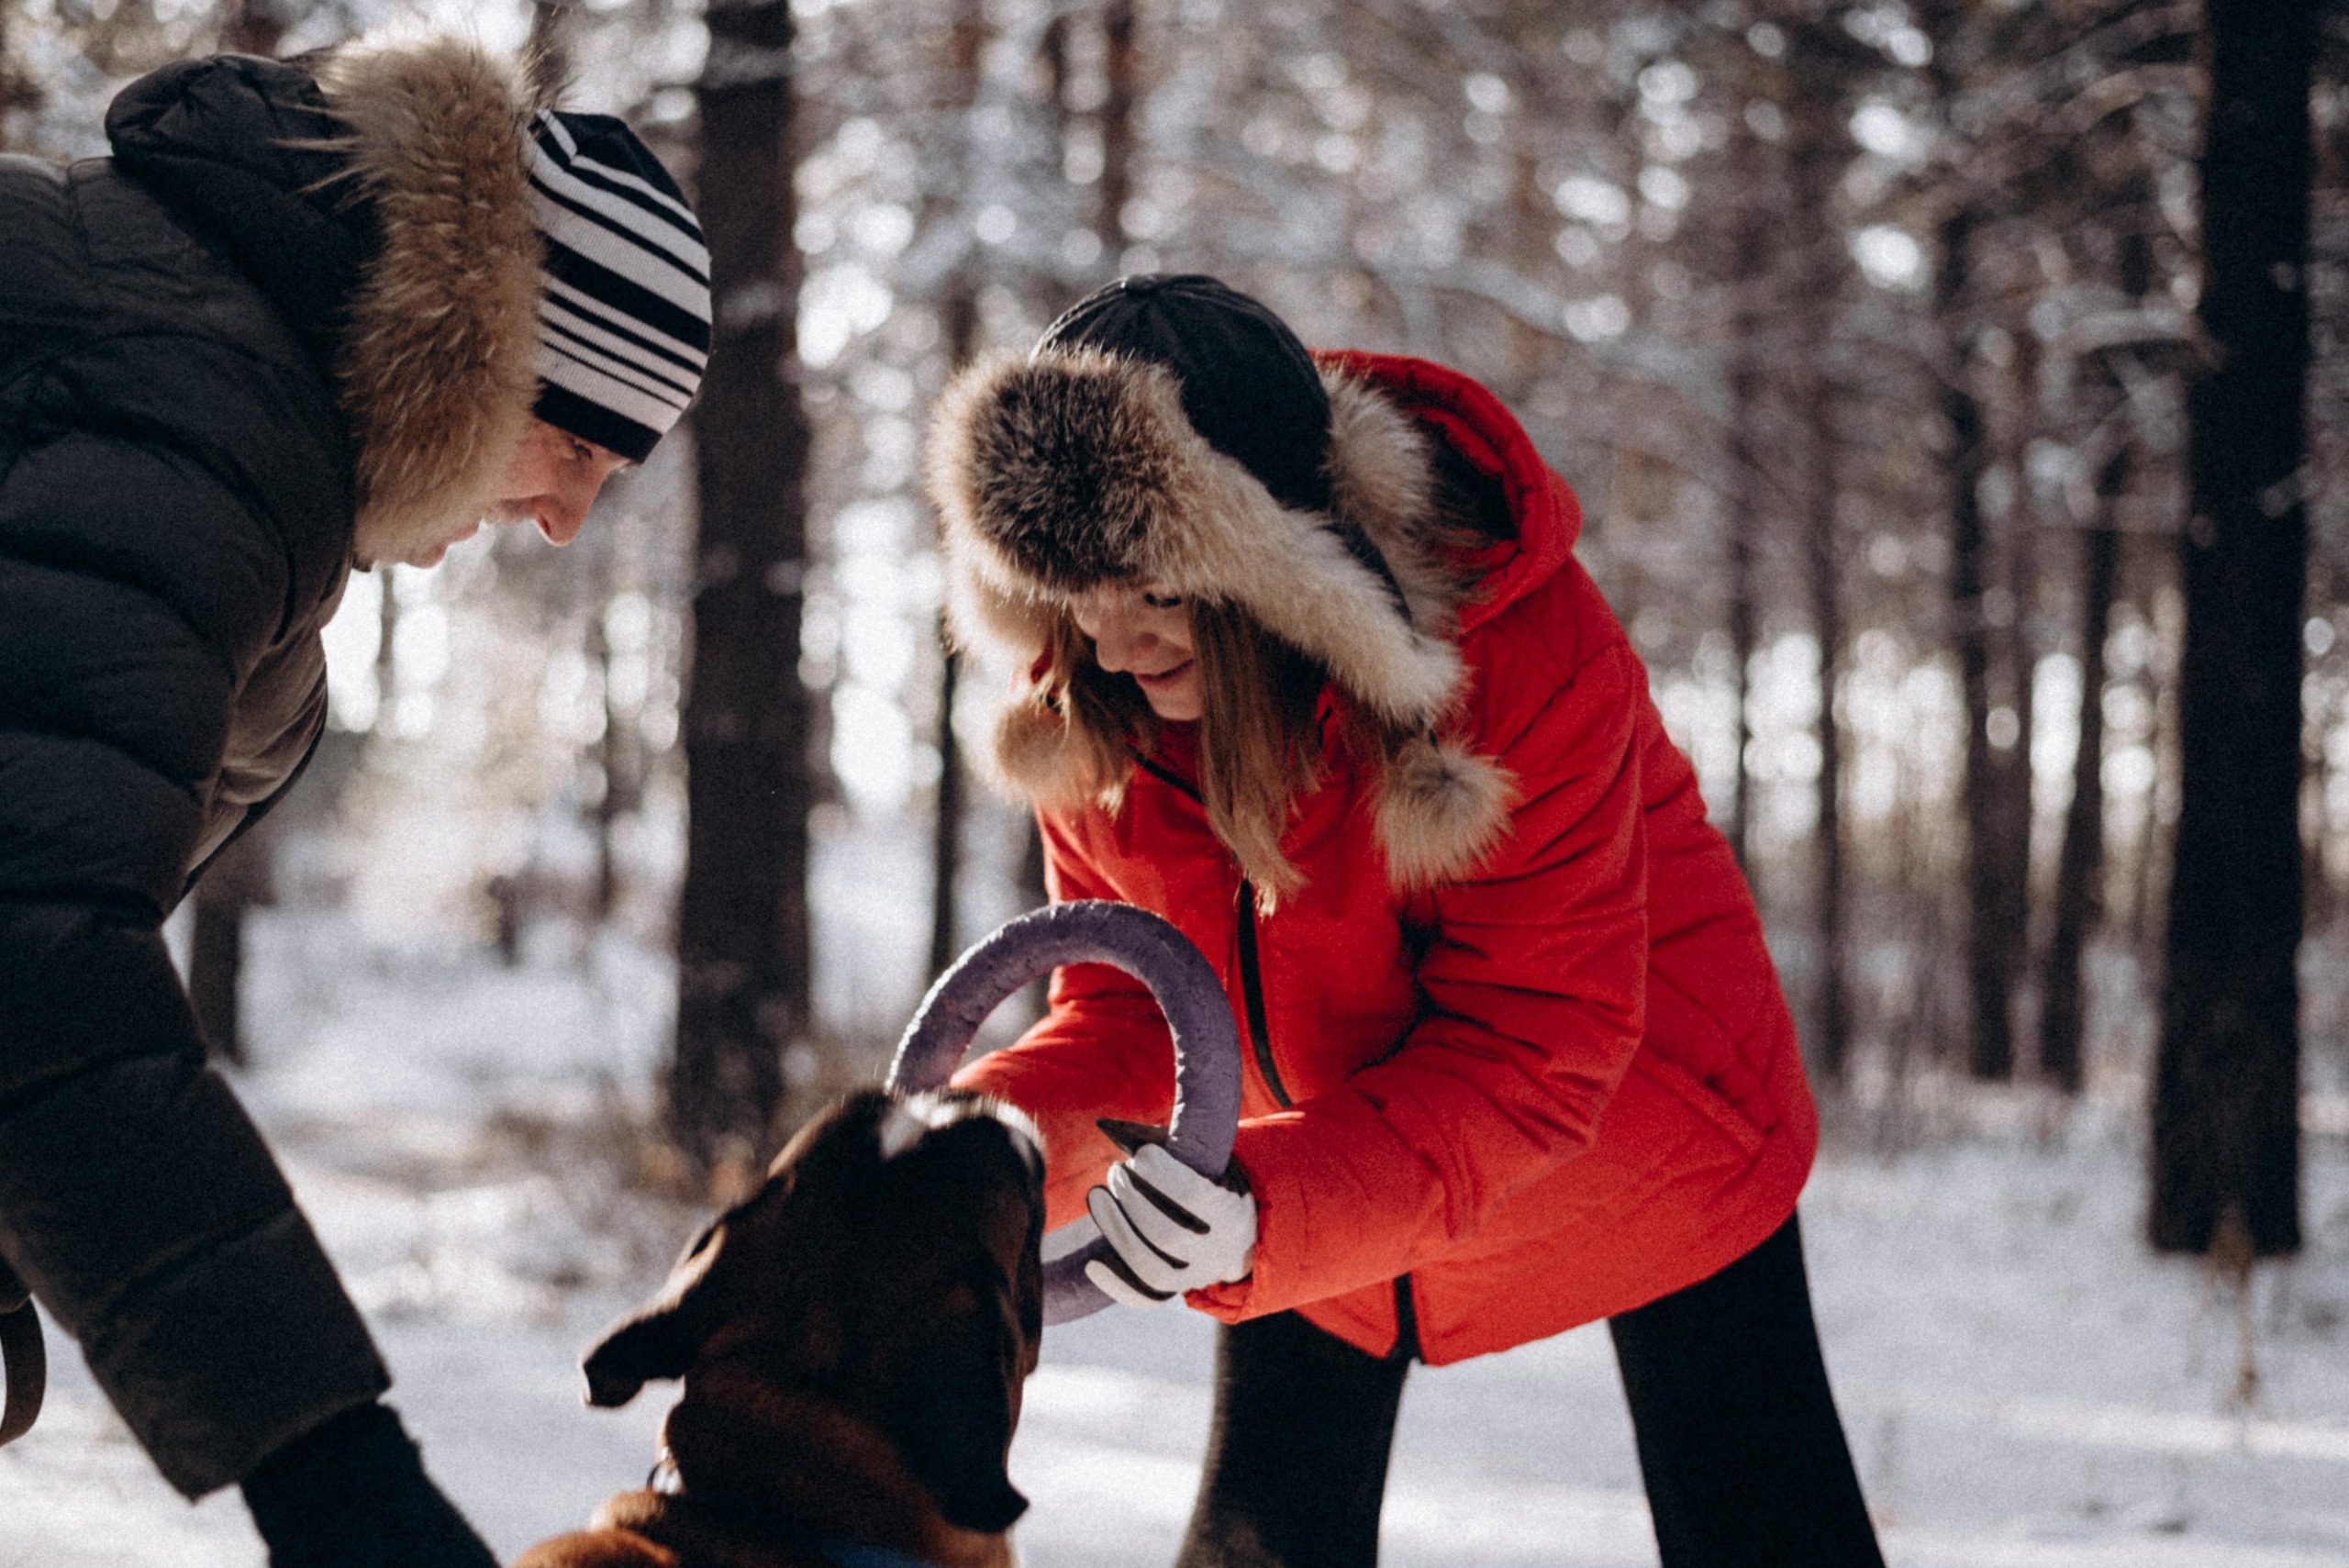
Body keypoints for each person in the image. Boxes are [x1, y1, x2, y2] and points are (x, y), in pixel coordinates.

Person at [927, 274, 1885, 1567]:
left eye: (1148, 591)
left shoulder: (1521, 657)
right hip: (1321, 1147)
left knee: (1766, 1531)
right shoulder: (1097, 705)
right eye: (1071, 592)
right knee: (1258, 1546)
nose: (1106, 646)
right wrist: (969, 1153)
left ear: (1269, 558)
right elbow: (1137, 1012)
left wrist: (1264, 1207)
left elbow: (1530, 1048)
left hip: (1652, 1131)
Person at [0, 31, 709, 1565]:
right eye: (576, 441)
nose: (566, 520)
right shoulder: (196, 408)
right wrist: (329, 1469)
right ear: (480, 347)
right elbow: (29, 934)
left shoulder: (203, 360)